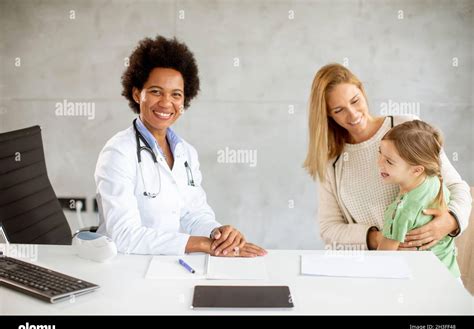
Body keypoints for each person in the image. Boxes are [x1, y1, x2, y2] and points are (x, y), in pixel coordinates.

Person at [94, 35, 266, 257]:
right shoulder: (118, 153)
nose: (166, 103)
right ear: (137, 94)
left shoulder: (185, 153)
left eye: (176, 94)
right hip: (126, 267)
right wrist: (200, 244)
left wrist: (217, 235)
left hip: (167, 264)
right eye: (156, 91)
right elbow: (124, 235)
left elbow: (193, 213)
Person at [303, 63, 471, 250]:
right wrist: (378, 239)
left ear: (362, 91)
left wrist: (451, 221)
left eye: (355, 100)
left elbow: (457, 186)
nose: (352, 114)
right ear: (328, 115)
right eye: (338, 110)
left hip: (430, 260)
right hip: (380, 264)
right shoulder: (331, 162)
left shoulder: (405, 126)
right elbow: (329, 228)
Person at [377, 120, 460, 278]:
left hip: (424, 286)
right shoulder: (435, 181)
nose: (379, 162)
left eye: (389, 161)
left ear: (416, 170)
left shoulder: (401, 210)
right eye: (379, 152)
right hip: (451, 278)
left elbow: (382, 260)